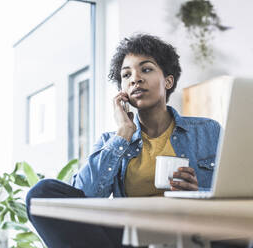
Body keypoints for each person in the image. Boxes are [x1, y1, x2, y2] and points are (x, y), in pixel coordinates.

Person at [26, 34, 232, 248]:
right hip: (133, 238)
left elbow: (235, 197)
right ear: (122, 91)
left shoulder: (208, 131)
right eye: (126, 74)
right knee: (40, 194)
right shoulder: (111, 141)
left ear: (168, 81)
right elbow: (84, 199)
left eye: (146, 69)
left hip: (191, 233)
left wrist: (198, 195)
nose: (135, 78)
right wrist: (123, 133)